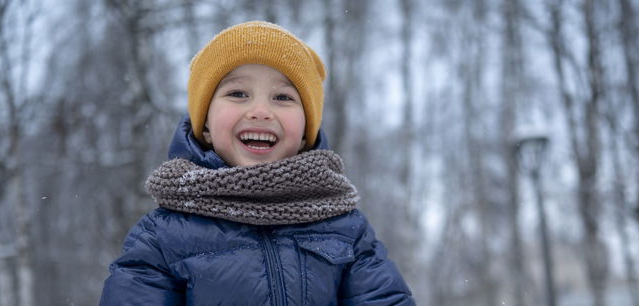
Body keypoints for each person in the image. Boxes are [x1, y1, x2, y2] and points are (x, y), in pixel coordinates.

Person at [99, 21, 415, 305]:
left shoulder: (345, 228)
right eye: (238, 93)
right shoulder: (163, 235)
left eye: (283, 98)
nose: (261, 111)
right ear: (206, 125)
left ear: (307, 132)